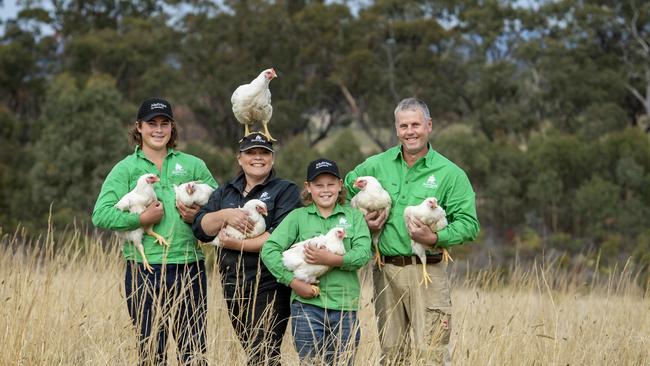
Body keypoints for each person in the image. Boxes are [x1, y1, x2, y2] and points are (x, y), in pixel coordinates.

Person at [344, 98, 480, 365]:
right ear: (396, 130)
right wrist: (362, 225)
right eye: (403, 125)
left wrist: (436, 238)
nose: (410, 131)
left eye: (416, 124)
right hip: (386, 271)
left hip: (427, 272)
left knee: (432, 353)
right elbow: (343, 190)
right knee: (393, 354)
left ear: (428, 126)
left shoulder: (450, 173)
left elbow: (469, 224)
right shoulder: (375, 165)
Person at [92, 97, 217, 365]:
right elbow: (100, 215)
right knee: (151, 353)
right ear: (139, 127)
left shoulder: (194, 164)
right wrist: (142, 219)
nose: (158, 129)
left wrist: (198, 217)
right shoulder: (125, 169)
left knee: (194, 353)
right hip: (143, 270)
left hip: (188, 267)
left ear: (172, 128)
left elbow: (218, 208)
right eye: (151, 124)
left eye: (164, 123)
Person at [192, 132, 301, 366]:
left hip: (269, 284)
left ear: (272, 158)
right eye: (251, 152)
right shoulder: (225, 192)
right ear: (239, 158)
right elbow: (201, 229)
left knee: (264, 353)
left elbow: (278, 238)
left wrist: (235, 244)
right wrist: (224, 215)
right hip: (233, 283)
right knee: (254, 353)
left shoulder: (285, 190)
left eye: (264, 153)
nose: (258, 157)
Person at [261, 158, 371, 365]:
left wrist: (331, 259)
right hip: (307, 307)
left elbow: (364, 254)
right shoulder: (298, 217)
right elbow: (270, 249)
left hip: (345, 306)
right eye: (318, 185)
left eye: (331, 184)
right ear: (308, 188)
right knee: (310, 362)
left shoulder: (354, 217)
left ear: (340, 185)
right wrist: (292, 282)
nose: (325, 190)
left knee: (343, 361)